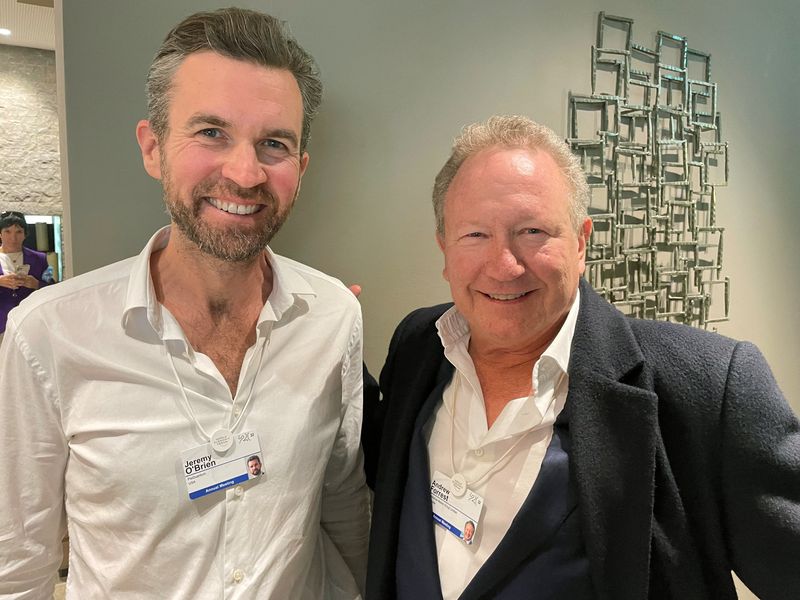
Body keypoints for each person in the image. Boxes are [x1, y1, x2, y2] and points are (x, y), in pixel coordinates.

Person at [0, 8, 369, 599]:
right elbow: (18, 569)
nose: (245, 173)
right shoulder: (46, 336)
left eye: (273, 144)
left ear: (299, 168)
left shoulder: (332, 316)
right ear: (153, 149)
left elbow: (342, 504)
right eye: (211, 132)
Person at [363, 115, 800, 599]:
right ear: (444, 248)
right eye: (474, 235)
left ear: (581, 242)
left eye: (532, 231)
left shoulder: (712, 387)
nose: (504, 265)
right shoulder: (417, 346)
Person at [0, 211, 52, 343]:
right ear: (0, 234)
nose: (13, 238)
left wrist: (36, 284)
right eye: (7, 231)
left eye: (18, 232)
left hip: (30, 325)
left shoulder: (40, 259)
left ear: (25, 234)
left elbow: (53, 287)